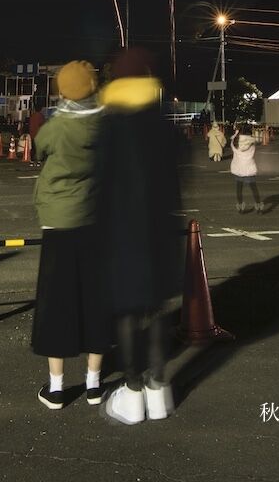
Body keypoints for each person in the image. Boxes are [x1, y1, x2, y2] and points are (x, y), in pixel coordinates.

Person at [96, 47, 183, 426]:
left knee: (129, 314)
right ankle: (158, 389)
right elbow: (178, 183)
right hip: (161, 233)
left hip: (121, 233)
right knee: (159, 311)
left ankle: (132, 392)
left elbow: (98, 185)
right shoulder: (165, 124)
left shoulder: (110, 125)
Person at [30, 60, 111, 411]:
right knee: (96, 299)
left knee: (57, 302)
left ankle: (58, 387)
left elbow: (39, 145)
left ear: (63, 90)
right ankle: (94, 383)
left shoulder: (58, 126)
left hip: (59, 221)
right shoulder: (107, 123)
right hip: (96, 219)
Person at [231, 122, 265, 213]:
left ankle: (240, 206)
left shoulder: (235, 142)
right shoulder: (252, 143)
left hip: (238, 168)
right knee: (254, 188)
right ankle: (258, 206)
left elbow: (233, 140)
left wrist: (237, 132)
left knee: (239, 188)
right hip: (249, 167)